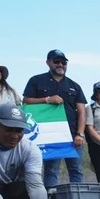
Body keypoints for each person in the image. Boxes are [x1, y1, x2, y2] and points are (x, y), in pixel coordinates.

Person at [22, 49, 87, 187]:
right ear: (48, 62)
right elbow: (26, 102)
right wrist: (47, 99)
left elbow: (82, 112)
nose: (60, 65)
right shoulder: (36, 81)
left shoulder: (74, 85)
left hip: (72, 134)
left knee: (76, 170)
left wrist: (79, 134)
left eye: (63, 62)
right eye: (56, 61)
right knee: (51, 170)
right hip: (49, 135)